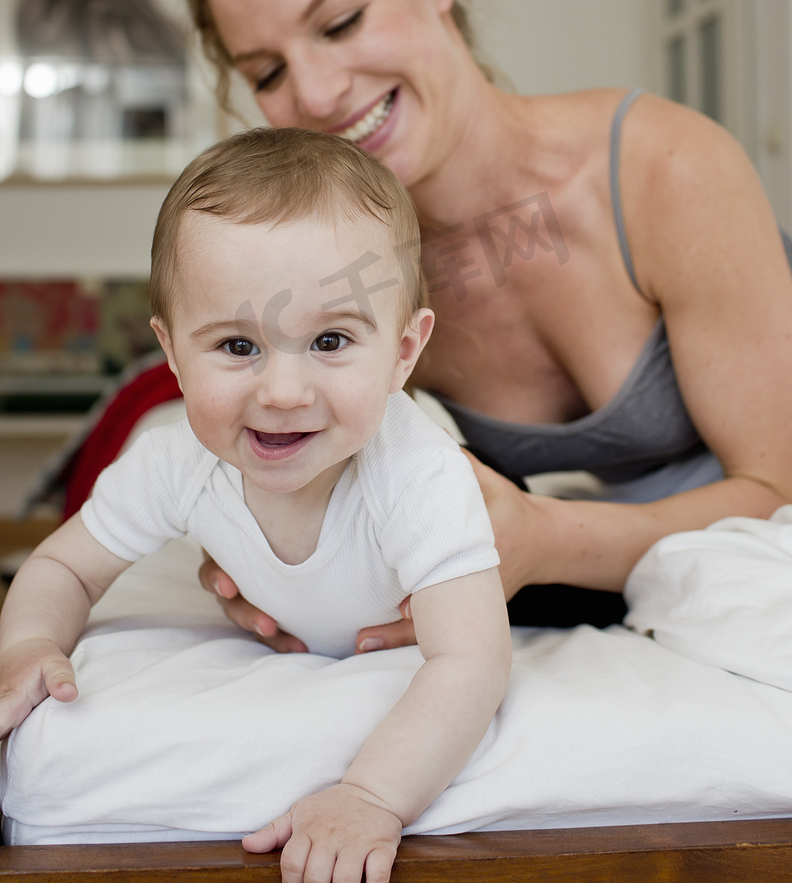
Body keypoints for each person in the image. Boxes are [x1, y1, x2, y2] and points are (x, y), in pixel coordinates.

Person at [184, 0, 792, 646]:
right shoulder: (360, 281)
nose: (318, 93)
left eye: (341, 22)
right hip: (653, 582)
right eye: (266, 72)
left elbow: (781, 491)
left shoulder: (664, 169)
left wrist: (544, 540)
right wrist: (263, 551)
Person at [0, 127, 511, 883]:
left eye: (332, 340)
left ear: (403, 352)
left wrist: (372, 794)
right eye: (237, 347)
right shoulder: (177, 461)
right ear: (171, 354)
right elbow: (69, 566)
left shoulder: (420, 475)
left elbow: (473, 659)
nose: (281, 393)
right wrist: (27, 643)